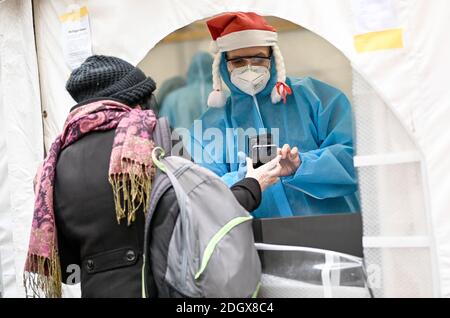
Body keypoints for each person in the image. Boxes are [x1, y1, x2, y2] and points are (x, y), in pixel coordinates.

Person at [23, 55, 281, 298]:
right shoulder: (147, 139)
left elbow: (69, 264)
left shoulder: (53, 163)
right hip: (157, 288)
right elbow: (202, 214)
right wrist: (253, 184)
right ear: (136, 101)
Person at [189, 12, 360, 218]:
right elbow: (201, 192)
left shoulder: (315, 98)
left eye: (258, 58)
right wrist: (249, 178)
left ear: (273, 57)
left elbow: (354, 159)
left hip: (331, 231)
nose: (249, 68)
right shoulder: (210, 125)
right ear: (225, 64)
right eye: (239, 61)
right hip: (259, 241)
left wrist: (301, 165)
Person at [159, 52, 214, 129]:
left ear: (190, 70)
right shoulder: (227, 97)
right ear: (214, 70)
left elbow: (163, 132)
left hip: (182, 140)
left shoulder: (172, 99)